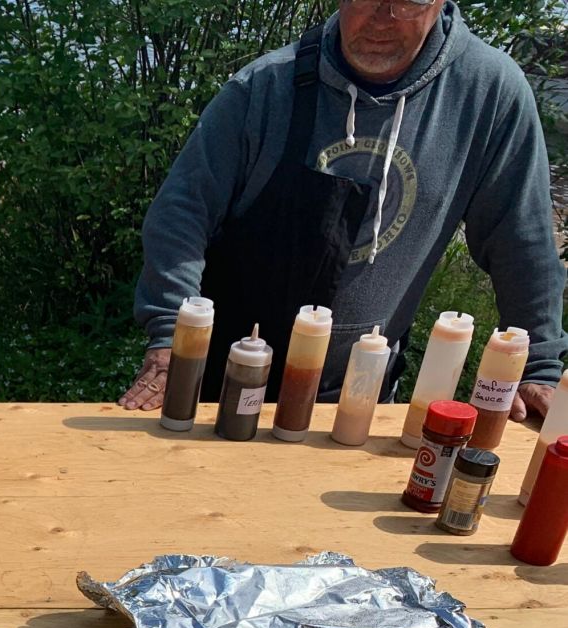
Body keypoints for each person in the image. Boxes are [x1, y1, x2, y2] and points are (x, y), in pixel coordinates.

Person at [119, 0, 566, 421]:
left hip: (358, 393)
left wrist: (538, 365)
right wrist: (173, 337)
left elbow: (521, 240)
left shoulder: (488, 95)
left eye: (406, 2)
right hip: (226, 378)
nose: (382, 17)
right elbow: (181, 214)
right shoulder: (265, 87)